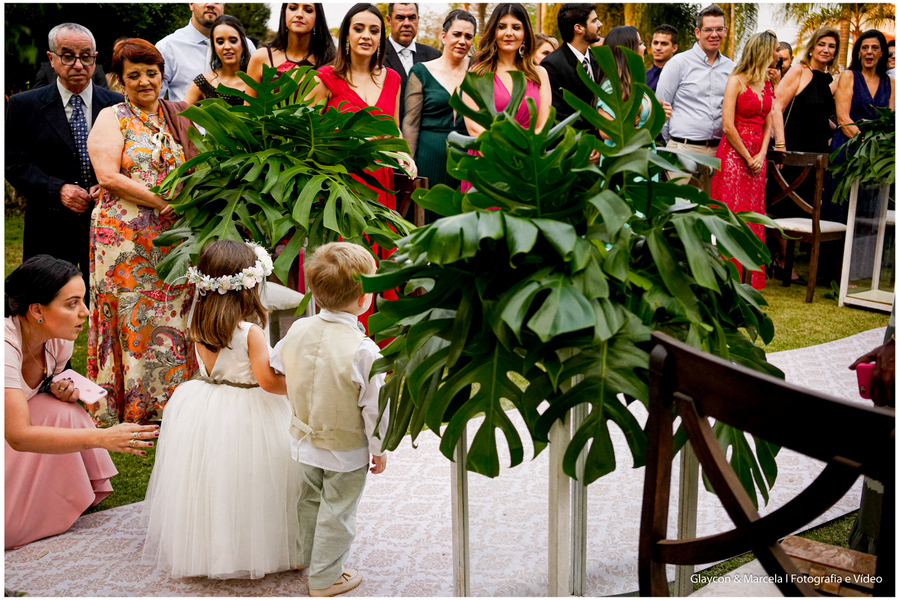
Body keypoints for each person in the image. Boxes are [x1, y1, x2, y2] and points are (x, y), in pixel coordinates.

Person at [142, 240, 295, 579]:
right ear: (251, 284)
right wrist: (301, 386)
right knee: (256, 480)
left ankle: (212, 551)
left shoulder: (198, 320)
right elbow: (267, 381)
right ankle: (261, 548)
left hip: (206, 402)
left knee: (213, 480)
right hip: (249, 408)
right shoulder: (250, 331)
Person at [5, 255, 159, 550]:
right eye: (72, 303)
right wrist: (103, 437)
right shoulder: (4, 346)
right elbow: (18, 435)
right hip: (11, 436)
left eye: (83, 301)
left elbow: (40, 384)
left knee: (63, 409)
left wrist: (54, 387)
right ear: (37, 309)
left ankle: (56, 501)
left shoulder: (57, 337)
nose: (85, 312)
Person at [86, 39, 199, 425]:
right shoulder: (112, 116)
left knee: (170, 315)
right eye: (134, 75)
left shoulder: (176, 116)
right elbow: (107, 176)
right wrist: (159, 201)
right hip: (124, 239)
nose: (145, 81)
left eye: (151, 73)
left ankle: (173, 403)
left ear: (162, 75)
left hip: (171, 238)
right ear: (120, 80)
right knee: (132, 315)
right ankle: (131, 406)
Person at [272, 242, 389, 597]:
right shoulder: (364, 350)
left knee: (308, 499)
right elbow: (375, 407)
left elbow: (277, 365)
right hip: (344, 449)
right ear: (363, 299)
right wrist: (379, 448)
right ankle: (325, 579)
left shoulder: (298, 330)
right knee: (338, 511)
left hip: (302, 441)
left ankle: (302, 555)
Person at [308, 3, 413, 332]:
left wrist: (403, 154)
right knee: (346, 266)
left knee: (381, 263)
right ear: (346, 36)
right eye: (359, 29)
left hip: (381, 185)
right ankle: (342, 346)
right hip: (342, 185)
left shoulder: (393, 79)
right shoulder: (325, 78)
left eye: (374, 30)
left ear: (382, 38)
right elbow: (307, 131)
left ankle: (380, 350)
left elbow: (392, 127)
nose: (367, 35)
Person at [6, 23, 124, 303]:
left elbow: (128, 159)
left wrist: (106, 184)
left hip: (105, 223)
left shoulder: (116, 105)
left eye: (86, 57)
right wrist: (58, 189)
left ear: (95, 58)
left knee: (107, 302)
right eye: (68, 56)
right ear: (51, 59)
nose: (78, 64)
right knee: (45, 303)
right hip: (48, 225)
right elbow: (13, 165)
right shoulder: (25, 106)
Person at [769, 27, 840, 283]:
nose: (826, 50)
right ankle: (781, 260)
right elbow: (777, 107)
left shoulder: (828, 79)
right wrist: (781, 147)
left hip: (818, 152)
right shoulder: (799, 70)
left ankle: (788, 262)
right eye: (822, 44)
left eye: (831, 46)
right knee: (783, 206)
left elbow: (825, 118)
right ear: (812, 46)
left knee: (806, 208)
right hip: (792, 151)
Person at [710, 31, 778, 290]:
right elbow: (728, 125)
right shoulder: (735, 81)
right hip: (732, 157)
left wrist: (761, 154)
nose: (778, 55)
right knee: (733, 211)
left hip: (757, 160)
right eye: (774, 50)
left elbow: (768, 123)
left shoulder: (768, 83)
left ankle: (751, 278)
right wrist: (747, 156)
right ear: (763, 51)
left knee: (753, 212)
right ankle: (727, 275)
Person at [656, 4, 734, 194]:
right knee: (679, 212)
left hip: (718, 153)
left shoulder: (731, 68)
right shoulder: (678, 64)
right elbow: (661, 108)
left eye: (719, 29)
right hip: (683, 151)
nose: (714, 34)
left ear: (725, 31)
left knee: (711, 214)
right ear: (698, 32)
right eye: (708, 29)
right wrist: (676, 142)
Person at [402, 8, 476, 199]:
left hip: (467, 159)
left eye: (468, 36)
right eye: (457, 34)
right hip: (428, 159)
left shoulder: (478, 71)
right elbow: (410, 122)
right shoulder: (421, 72)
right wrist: (409, 160)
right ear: (444, 36)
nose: (462, 41)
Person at [829, 29, 895, 224]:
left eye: (875, 48)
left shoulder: (891, 83)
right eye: (864, 48)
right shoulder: (849, 76)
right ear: (858, 52)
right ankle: (833, 254)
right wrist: (868, 142)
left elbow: (889, 120)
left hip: (875, 159)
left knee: (868, 212)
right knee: (841, 208)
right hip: (848, 150)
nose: (869, 52)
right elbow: (843, 118)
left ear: (882, 52)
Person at [155, 3, 257, 102]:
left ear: (223, 5)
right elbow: (155, 99)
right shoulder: (167, 47)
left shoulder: (246, 46)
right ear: (191, 4)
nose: (210, 4)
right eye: (220, 42)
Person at [596, 26, 671, 146]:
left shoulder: (633, 83)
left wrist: (658, 117)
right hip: (623, 159)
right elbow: (606, 131)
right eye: (640, 43)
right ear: (628, 48)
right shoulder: (611, 86)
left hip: (641, 154)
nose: (645, 48)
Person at [246, 3, 335, 96]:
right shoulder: (262, 57)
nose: (299, 14)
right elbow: (249, 108)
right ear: (283, 13)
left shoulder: (331, 61)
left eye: (308, 10)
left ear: (317, 18)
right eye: (293, 8)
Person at [540, 3, 602, 128]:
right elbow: (558, 117)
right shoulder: (552, 65)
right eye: (594, 21)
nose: (600, 24)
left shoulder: (600, 60)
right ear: (579, 28)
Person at [383, 3, 441, 124]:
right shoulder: (375, 55)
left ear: (418, 19)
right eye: (400, 17)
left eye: (412, 17)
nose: (407, 23)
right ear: (389, 20)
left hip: (426, 136)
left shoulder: (434, 56)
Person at [183, 15, 250, 106]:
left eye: (233, 41)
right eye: (220, 42)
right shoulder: (204, 82)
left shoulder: (256, 81)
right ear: (214, 47)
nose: (227, 47)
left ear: (242, 43)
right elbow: (180, 115)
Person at [646, 24, 678, 92]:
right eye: (655, 43)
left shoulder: (682, 76)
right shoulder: (644, 77)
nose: (658, 48)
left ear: (674, 48)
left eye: (664, 44)